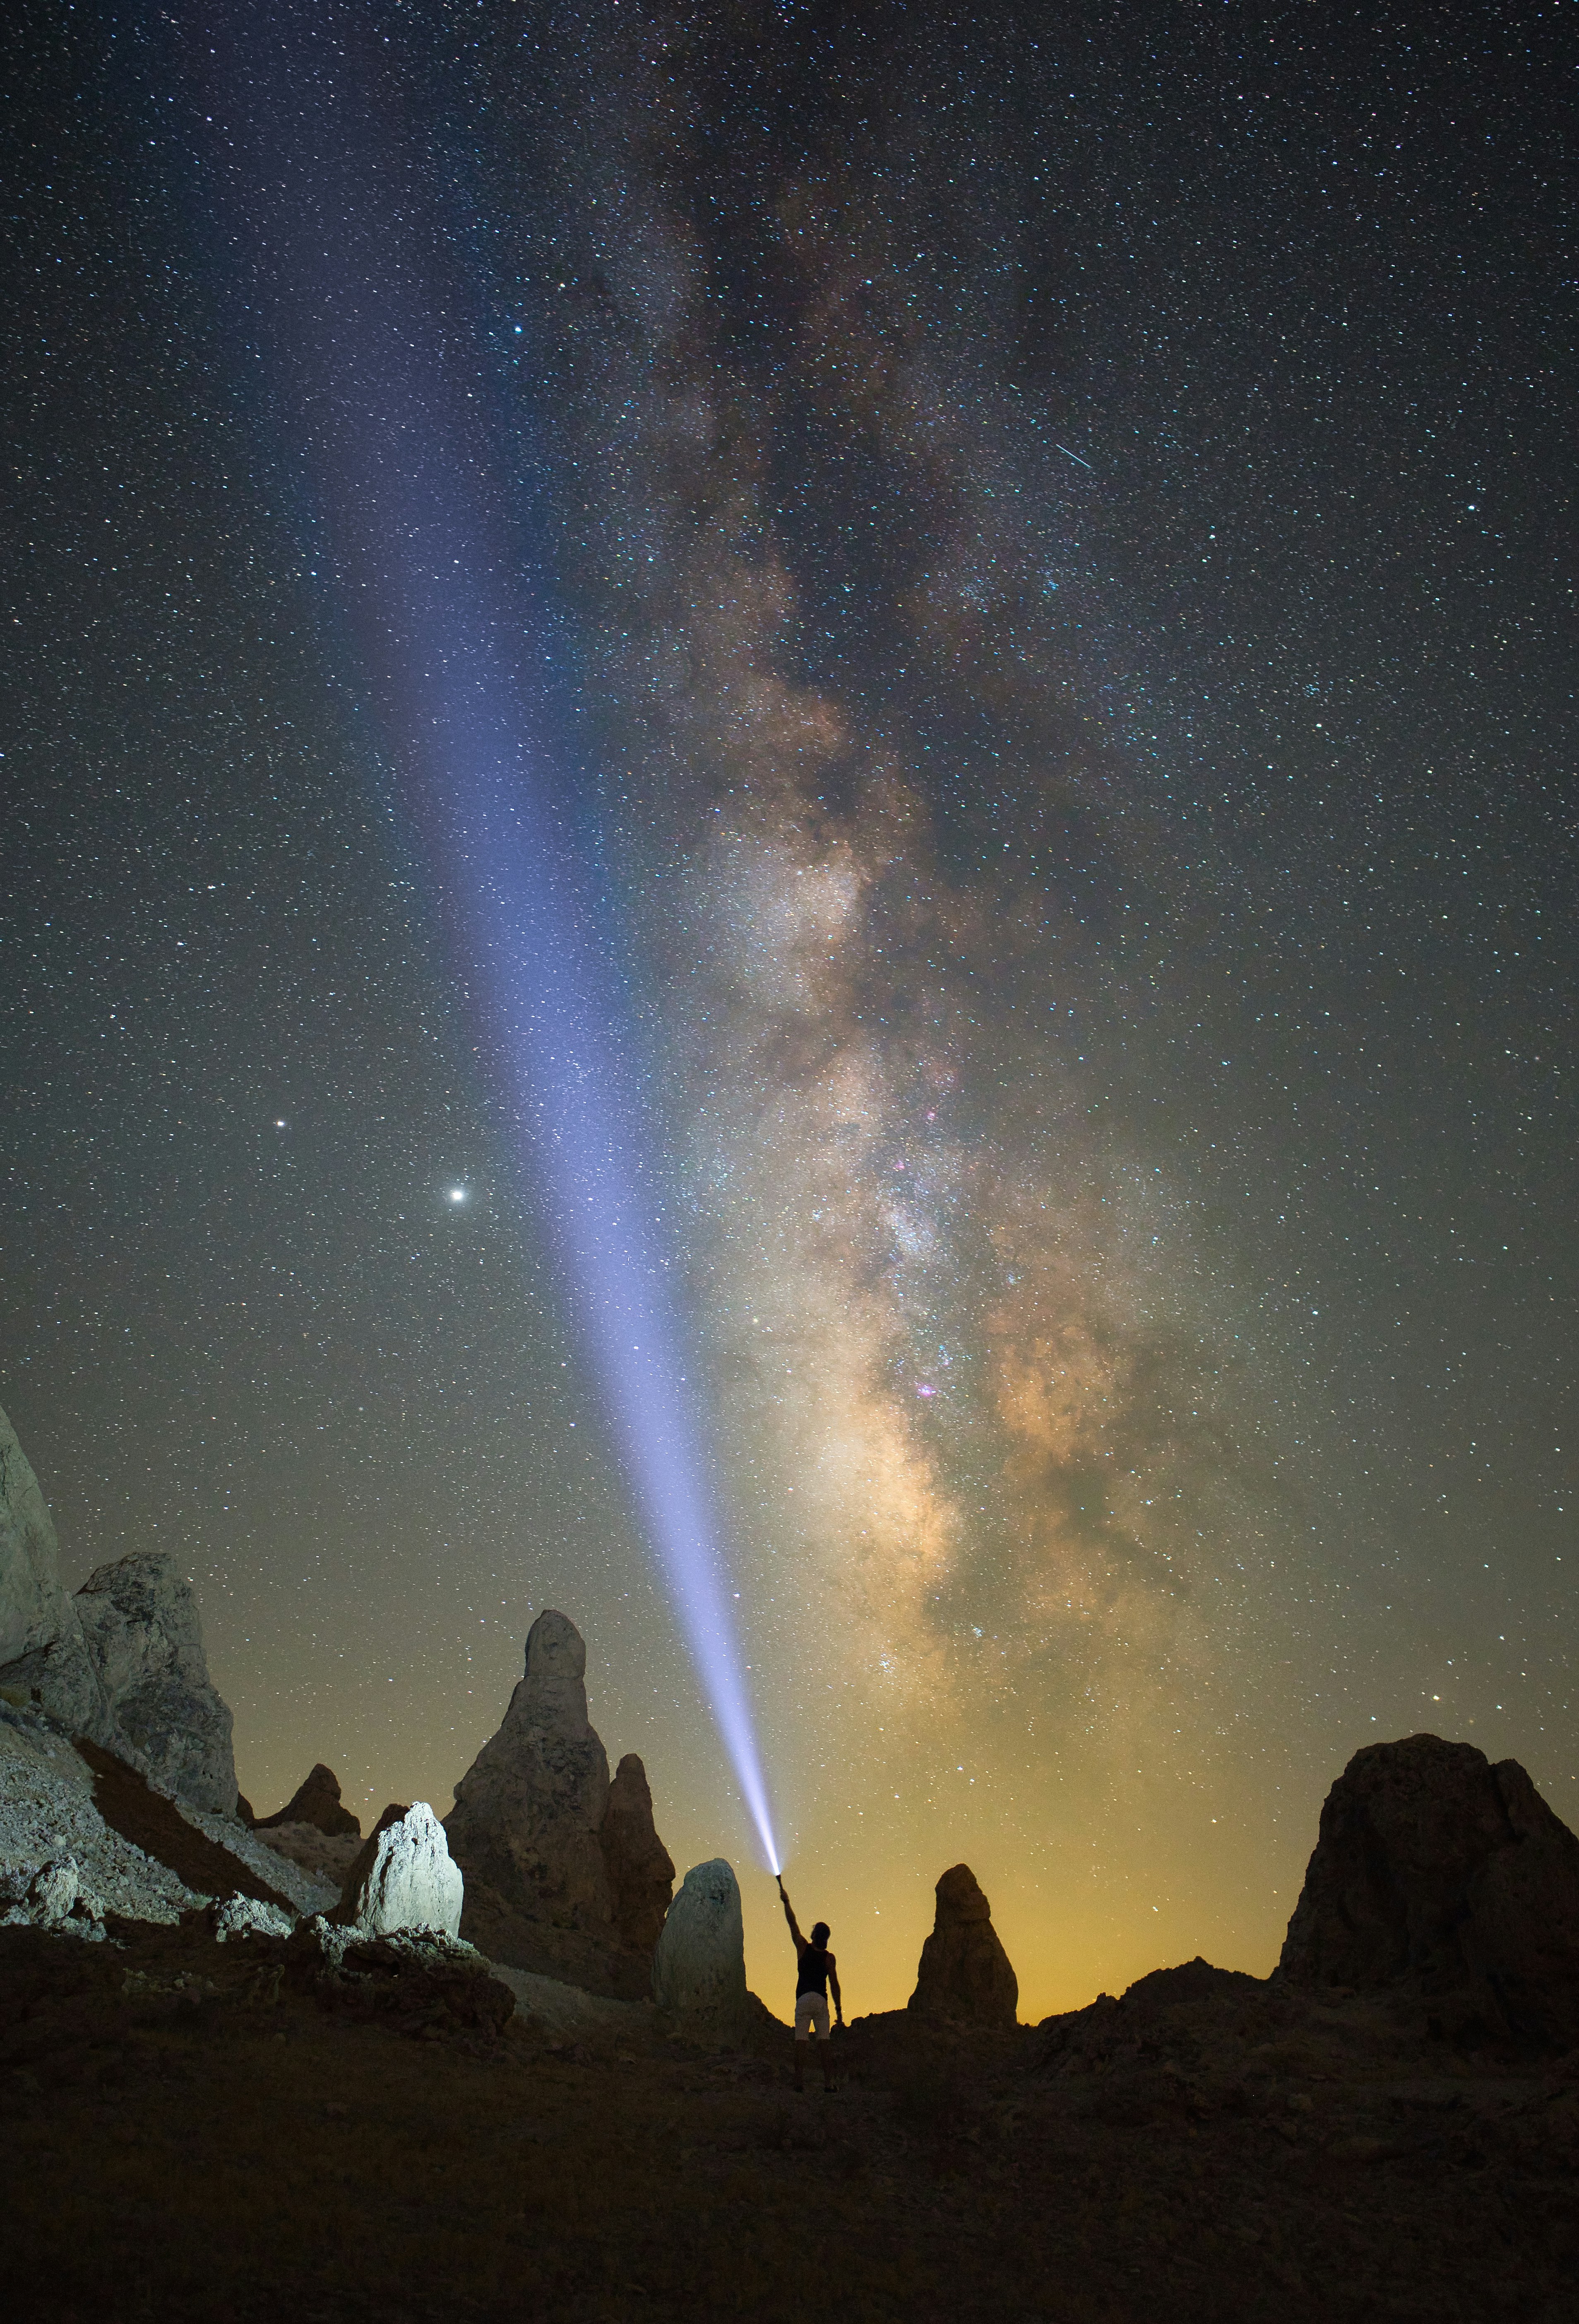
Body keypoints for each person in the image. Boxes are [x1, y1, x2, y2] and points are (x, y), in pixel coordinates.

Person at [776, 1872, 843, 2091]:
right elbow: (834, 1984)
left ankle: (799, 2082)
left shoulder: (803, 1948)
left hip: (804, 1999)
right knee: (825, 2043)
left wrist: (787, 1902)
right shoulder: (829, 1958)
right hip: (821, 2001)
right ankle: (830, 2083)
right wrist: (839, 2010)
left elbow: (792, 1923)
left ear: (814, 1935)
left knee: (801, 2042)